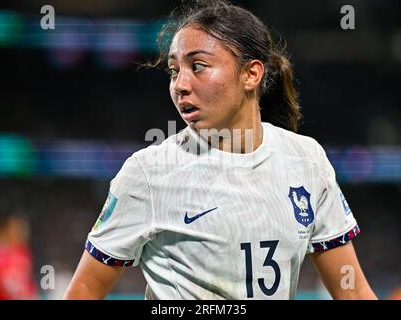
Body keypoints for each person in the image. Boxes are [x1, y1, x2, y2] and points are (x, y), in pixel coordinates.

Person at [64, 0, 377, 300]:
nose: (180, 84)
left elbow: (352, 291)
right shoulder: (148, 173)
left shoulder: (306, 160)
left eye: (198, 66)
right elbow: (83, 291)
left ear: (251, 74)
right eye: (174, 70)